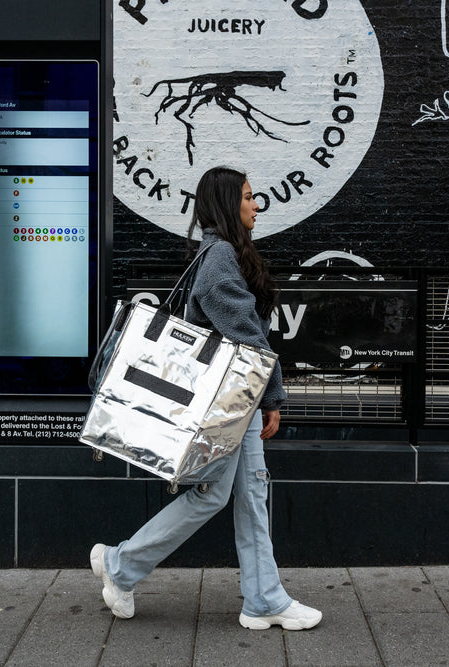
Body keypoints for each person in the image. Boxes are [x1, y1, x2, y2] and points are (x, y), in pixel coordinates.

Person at [90, 166, 322, 631]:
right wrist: (273, 397)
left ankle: (262, 600)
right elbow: (248, 337)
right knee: (218, 496)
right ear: (226, 204)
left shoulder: (224, 255)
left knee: (247, 494)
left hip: (237, 403)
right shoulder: (218, 262)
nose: (257, 205)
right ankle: (122, 565)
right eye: (249, 197)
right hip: (228, 405)